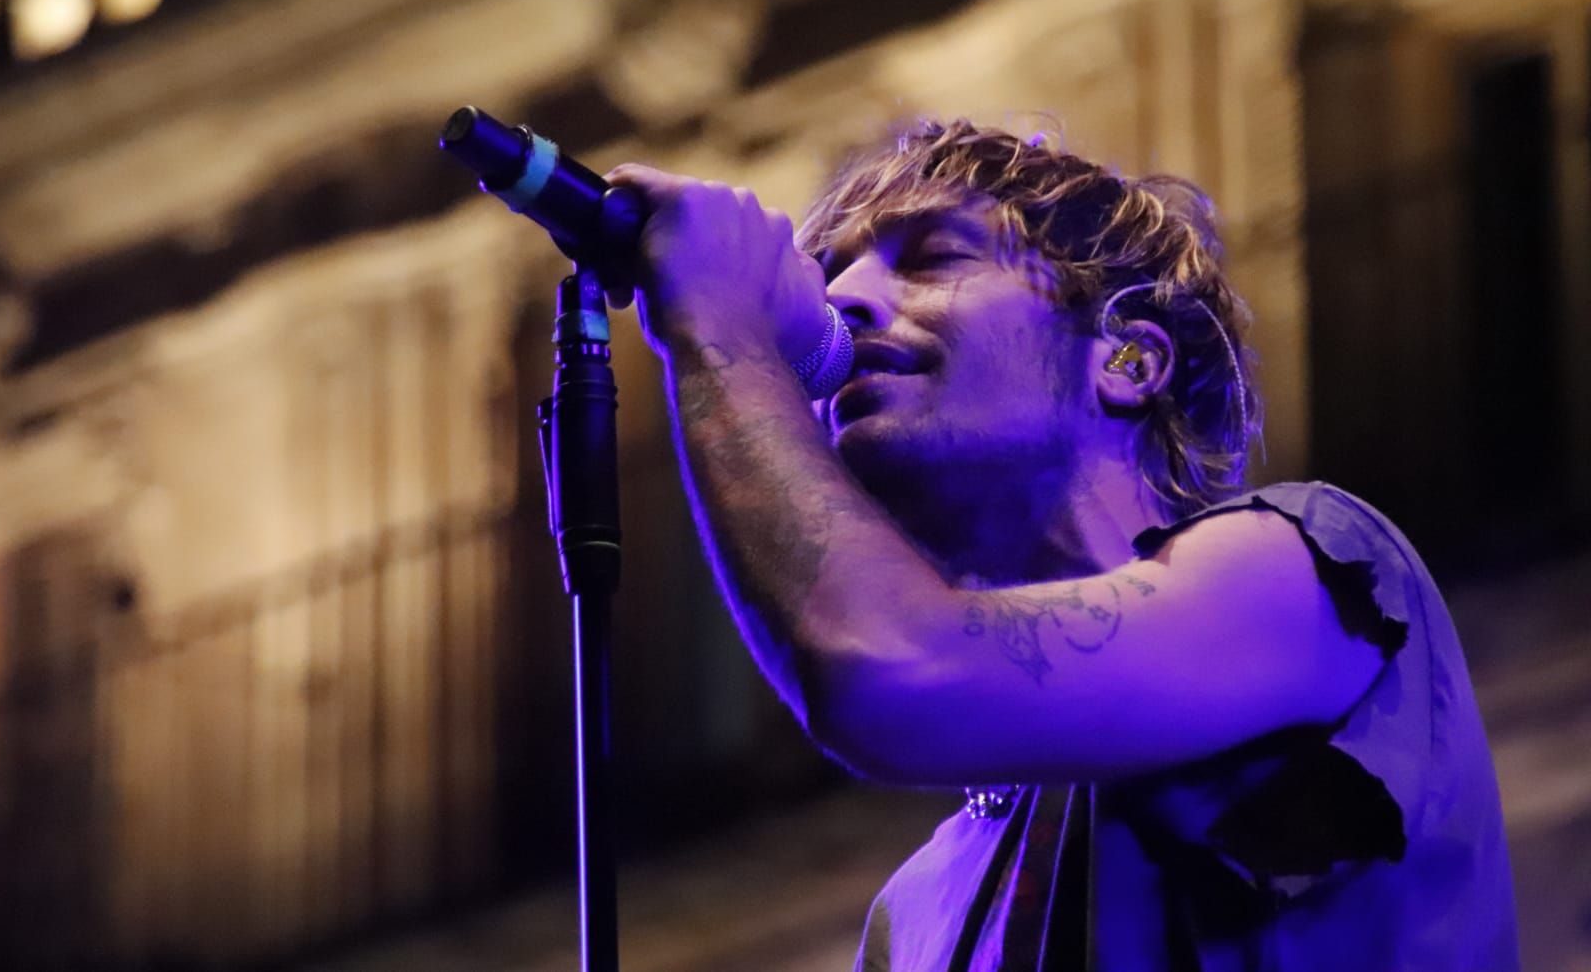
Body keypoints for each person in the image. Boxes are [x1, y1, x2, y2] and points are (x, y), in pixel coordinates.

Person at [606, 118, 1518, 970]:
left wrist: (718, 327)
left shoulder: (1301, 570)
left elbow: (887, 672)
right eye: (832, 276)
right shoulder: (911, 908)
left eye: (934, 258)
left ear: (1127, 360)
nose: (846, 305)